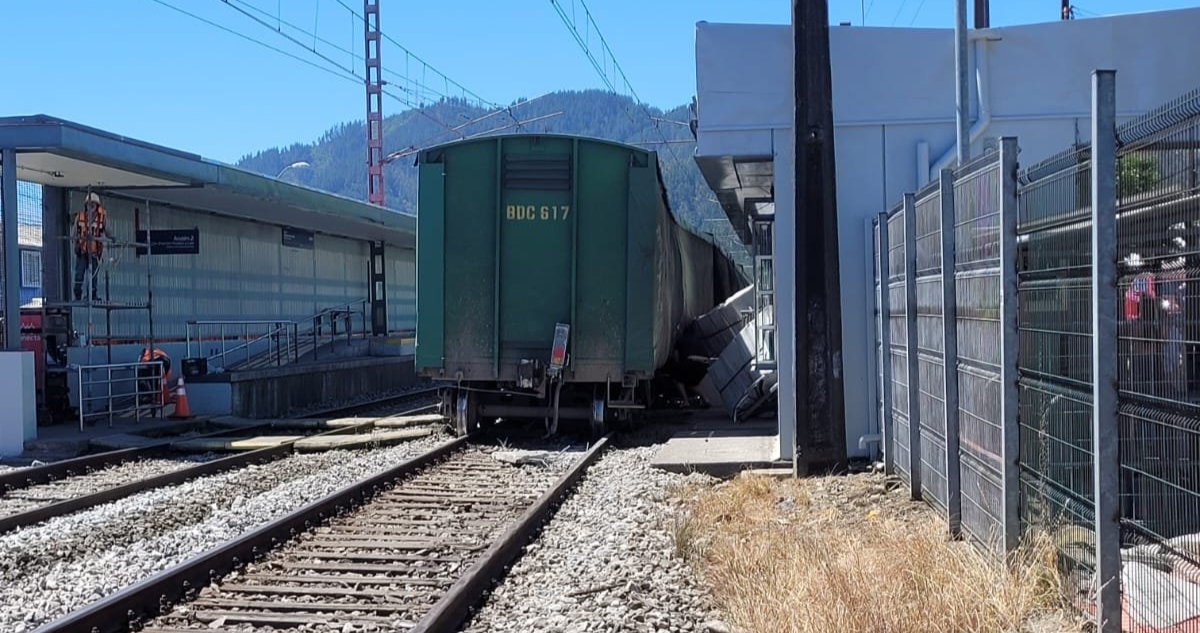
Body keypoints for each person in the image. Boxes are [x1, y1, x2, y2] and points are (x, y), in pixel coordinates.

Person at [73, 192, 108, 301]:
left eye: (93, 204)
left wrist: (113, 238)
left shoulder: (102, 218)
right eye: (89, 204)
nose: (91, 206)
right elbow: (74, 233)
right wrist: (75, 246)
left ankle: (92, 295)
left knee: (93, 275)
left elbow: (108, 230)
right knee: (79, 274)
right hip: (82, 251)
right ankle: (77, 294)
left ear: (97, 206)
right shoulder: (80, 217)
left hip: (94, 252)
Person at [137, 345, 172, 409]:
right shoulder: (156, 352)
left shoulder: (146, 354)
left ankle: (149, 396)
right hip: (160, 363)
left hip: (156, 363)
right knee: (153, 380)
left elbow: (141, 364)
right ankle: (152, 396)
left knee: (147, 379)